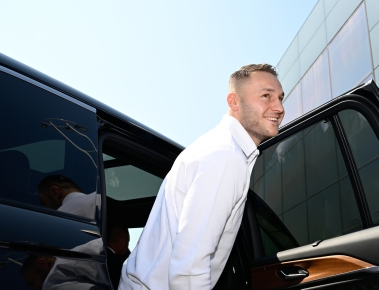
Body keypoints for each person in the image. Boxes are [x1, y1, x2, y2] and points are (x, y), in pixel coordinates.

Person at [119, 63, 285, 289]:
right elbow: (189, 269)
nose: (278, 107)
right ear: (233, 102)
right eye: (266, 96)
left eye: (280, 98)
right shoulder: (225, 156)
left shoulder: (221, 149)